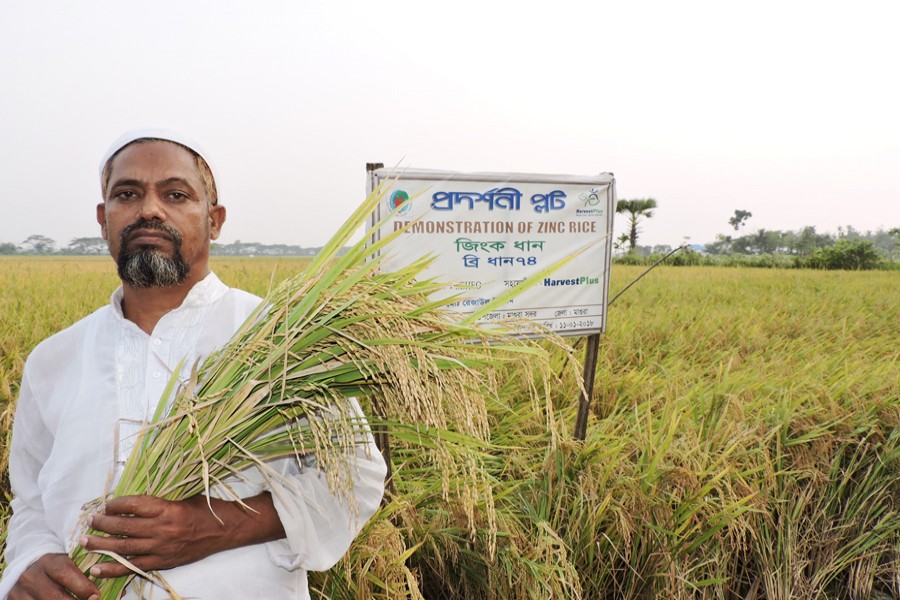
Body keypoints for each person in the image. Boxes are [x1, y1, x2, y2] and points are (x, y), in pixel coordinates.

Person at [0, 129, 388, 599]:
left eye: (176, 194)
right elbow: (33, 505)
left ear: (214, 219)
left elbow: (356, 476)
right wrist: (32, 561)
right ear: (104, 220)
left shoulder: (277, 337)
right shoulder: (53, 358)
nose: (149, 209)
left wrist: (213, 526)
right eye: (127, 194)